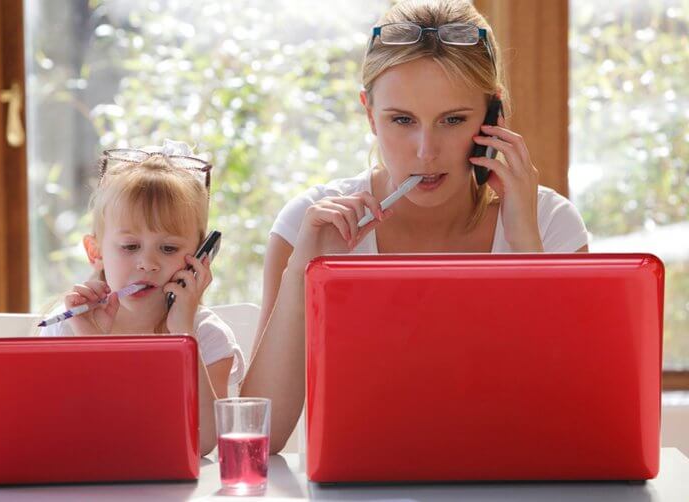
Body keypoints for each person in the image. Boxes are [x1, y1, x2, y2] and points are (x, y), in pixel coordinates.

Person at [240, 0, 588, 453]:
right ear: (369, 114)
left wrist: (524, 245)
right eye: (402, 120)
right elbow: (258, 440)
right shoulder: (308, 223)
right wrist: (304, 272)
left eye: (453, 120)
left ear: (492, 117)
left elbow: (572, 418)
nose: (426, 151)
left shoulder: (550, 224)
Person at [42, 140, 245, 456]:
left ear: (200, 257)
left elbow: (204, 442)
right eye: (130, 247)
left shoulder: (206, 337)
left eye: (168, 249)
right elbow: (72, 438)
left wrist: (183, 335)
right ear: (96, 252)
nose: (147, 263)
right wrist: (93, 343)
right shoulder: (66, 328)